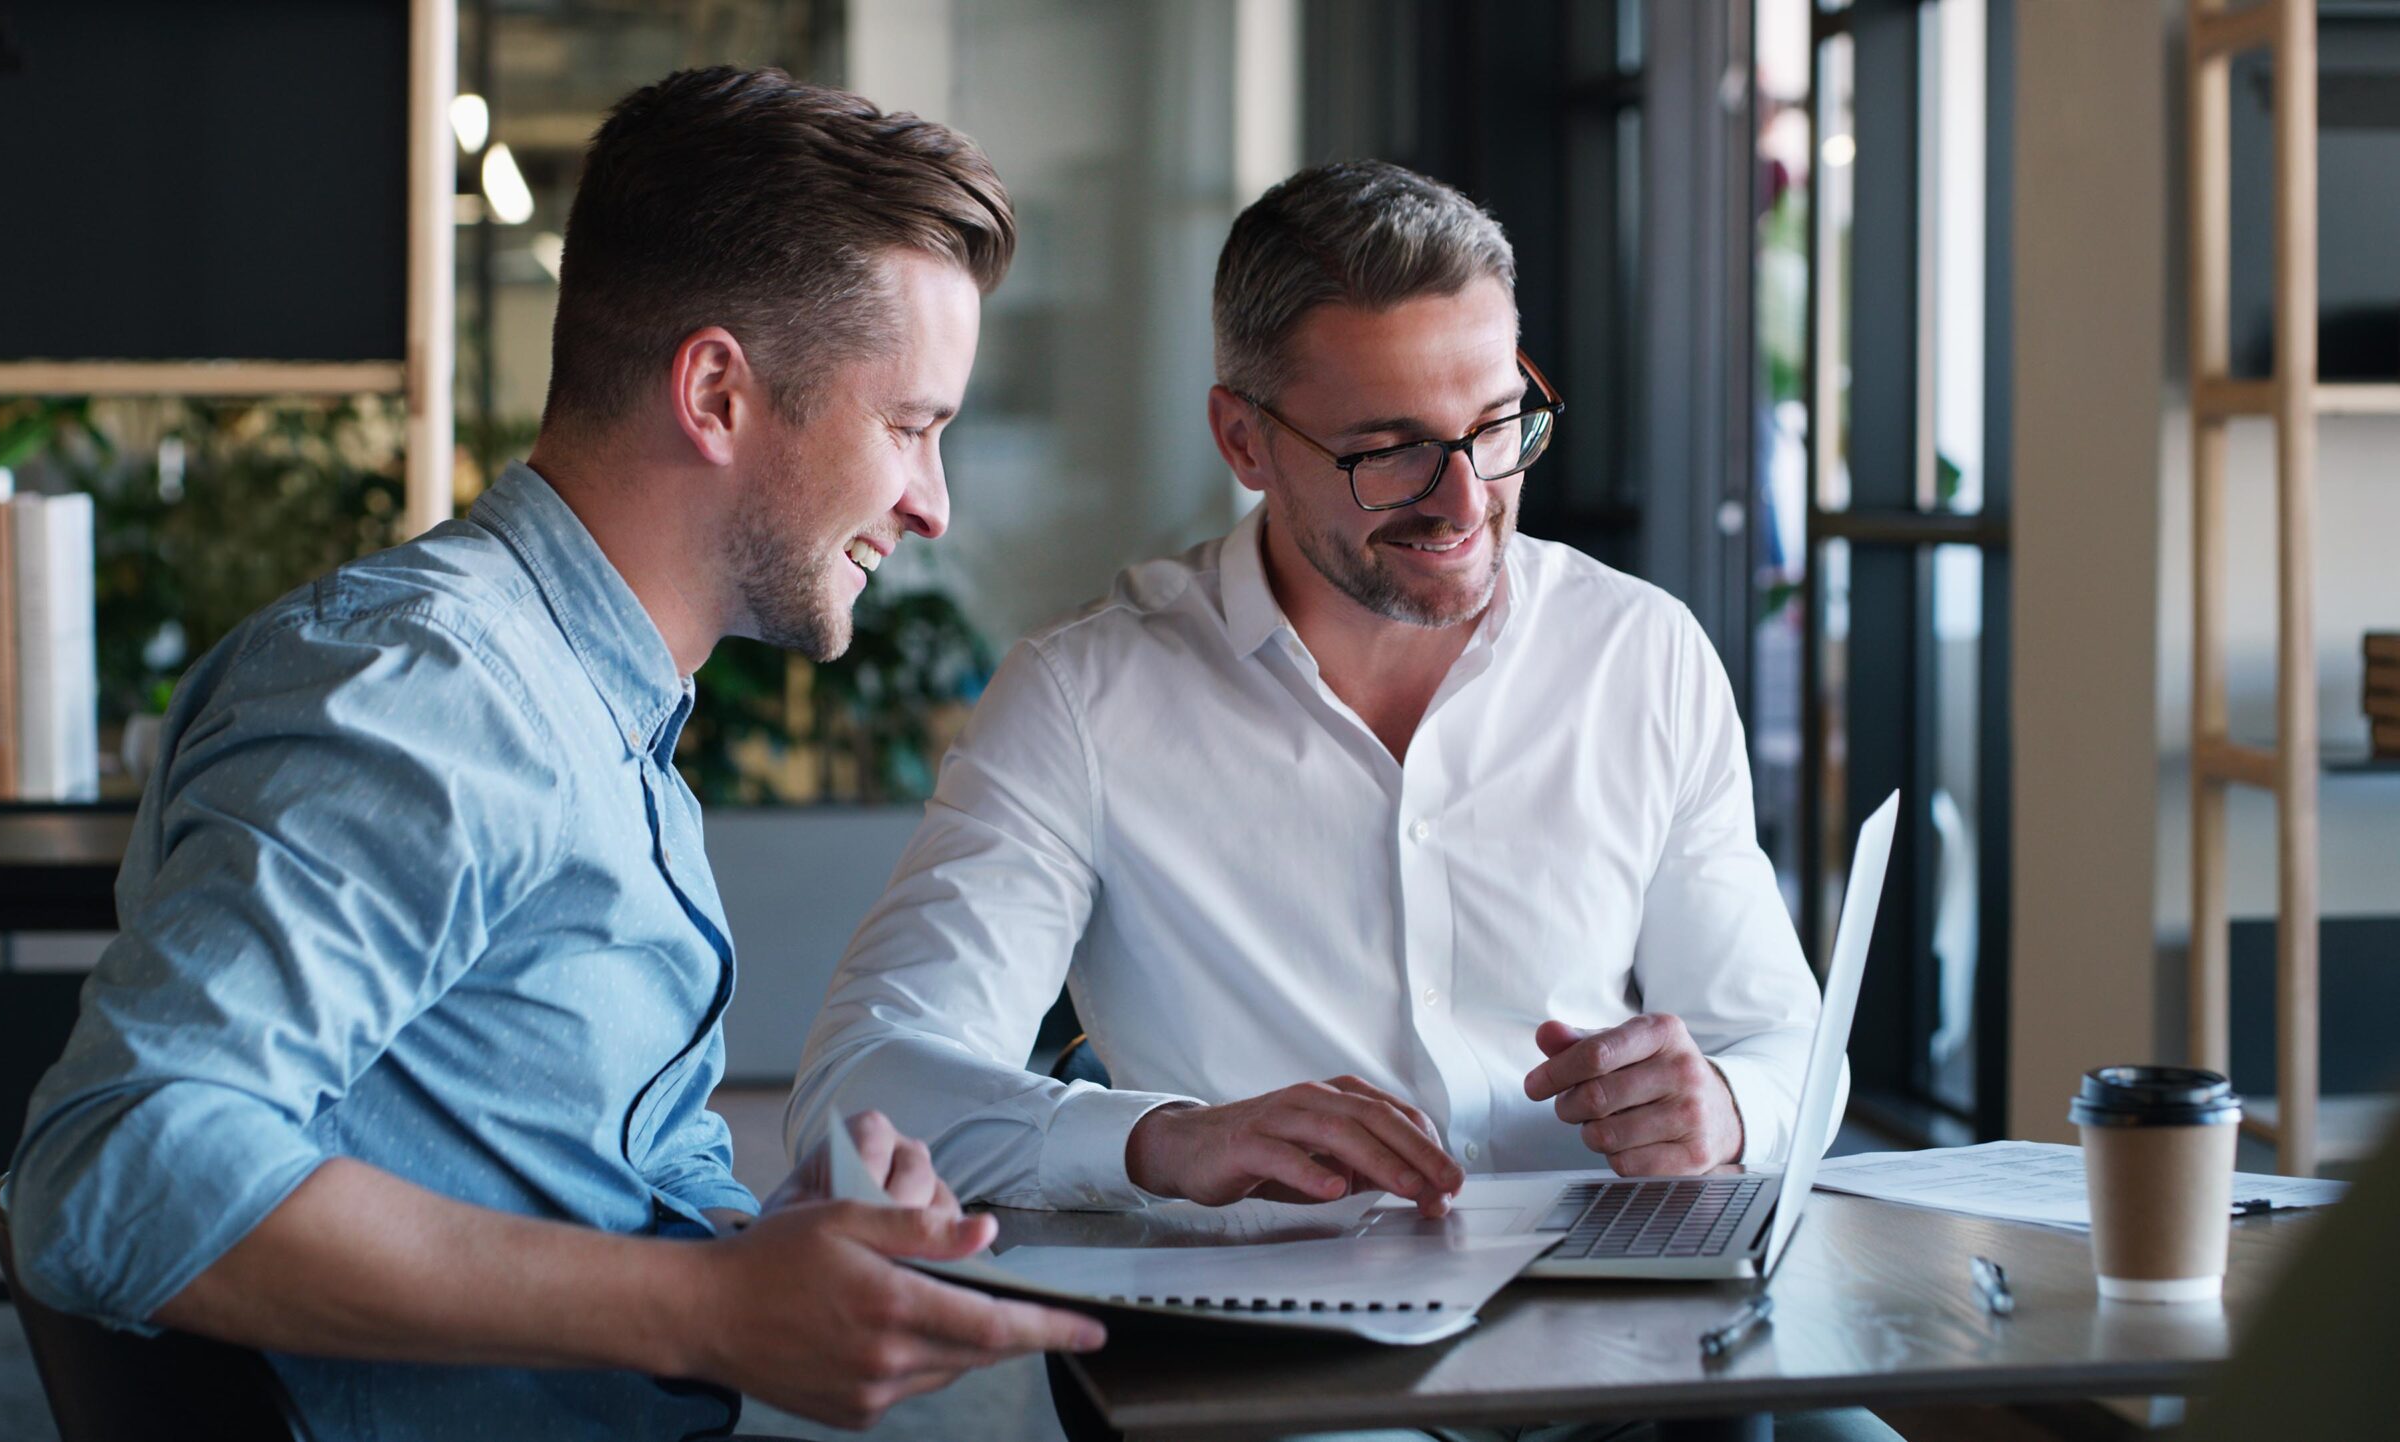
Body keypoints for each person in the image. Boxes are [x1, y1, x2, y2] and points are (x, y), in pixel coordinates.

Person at [6, 66, 1102, 1441]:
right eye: (911, 428)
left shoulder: (594, 705)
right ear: (716, 392)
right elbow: (117, 1168)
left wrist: (767, 1249)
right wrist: (707, 1312)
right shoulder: (434, 689)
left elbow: (563, 1172)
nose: (931, 506)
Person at [789, 157, 1843, 1228]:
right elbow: (861, 1092)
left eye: (1496, 422)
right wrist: (1160, 1136)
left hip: (1624, 1329)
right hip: (1276, 1360)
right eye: (1387, 453)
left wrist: (1725, 1102)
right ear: (1243, 439)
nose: (1465, 500)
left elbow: (1785, 1042)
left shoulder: (1641, 653)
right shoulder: (1085, 697)